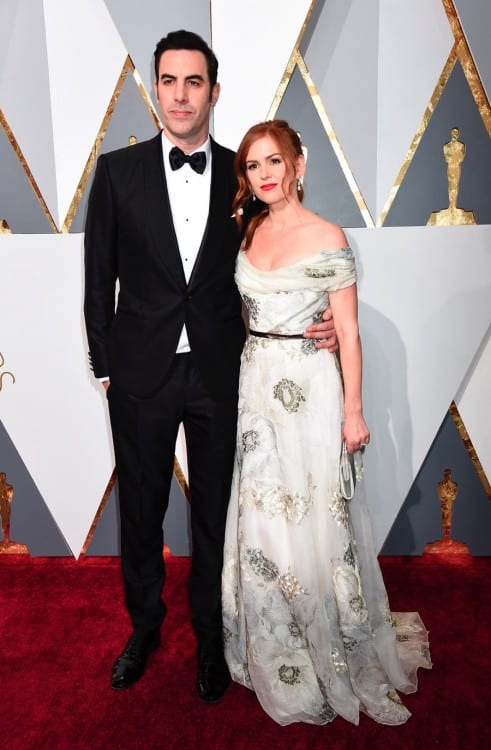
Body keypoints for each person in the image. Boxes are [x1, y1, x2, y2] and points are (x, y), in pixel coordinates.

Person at [84, 31, 336, 701]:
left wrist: (322, 315)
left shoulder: (241, 175)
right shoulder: (116, 173)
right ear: (155, 89)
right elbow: (97, 278)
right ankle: (144, 628)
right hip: (139, 375)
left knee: (215, 515)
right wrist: (105, 367)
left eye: (194, 82)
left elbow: (281, 254)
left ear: (213, 92)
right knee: (141, 508)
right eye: (169, 80)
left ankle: (211, 639)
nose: (180, 93)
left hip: (223, 373)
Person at [222, 119, 432, 725]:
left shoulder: (328, 236)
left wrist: (354, 410)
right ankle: (274, 637)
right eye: (253, 166)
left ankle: (331, 646)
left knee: (314, 516)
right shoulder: (251, 230)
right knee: (264, 516)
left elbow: (348, 332)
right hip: (256, 385)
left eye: (274, 162)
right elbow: (252, 313)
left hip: (311, 393)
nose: (264, 174)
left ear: (298, 165)